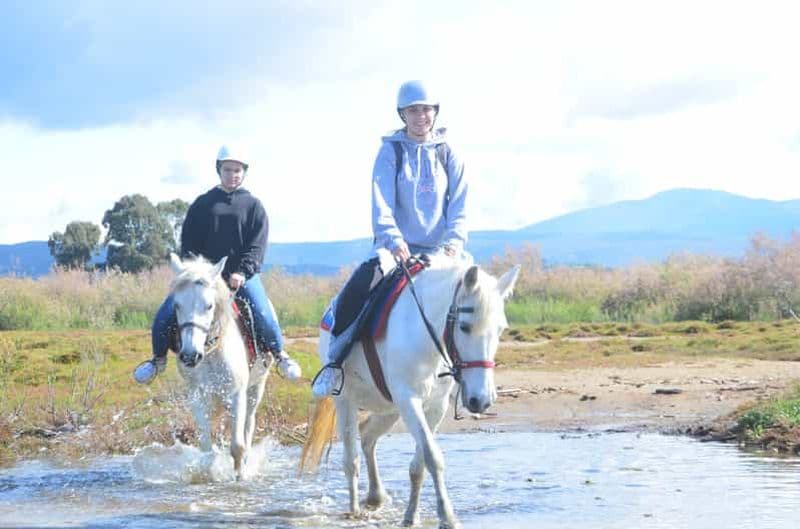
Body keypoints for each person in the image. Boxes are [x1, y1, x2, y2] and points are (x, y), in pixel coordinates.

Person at [312, 80, 468, 397]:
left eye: (425, 109)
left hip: (441, 251)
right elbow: (380, 201)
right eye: (413, 110)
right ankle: (334, 363)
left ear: (434, 112)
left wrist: (454, 243)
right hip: (394, 248)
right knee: (360, 285)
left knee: (476, 299)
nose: (420, 116)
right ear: (403, 114)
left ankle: (474, 375)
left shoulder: (448, 152)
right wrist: (394, 241)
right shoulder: (390, 151)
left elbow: (460, 203)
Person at [133, 145, 302, 384]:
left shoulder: (254, 206)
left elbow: (257, 246)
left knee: (262, 310)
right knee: (167, 312)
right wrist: (198, 271)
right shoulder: (202, 204)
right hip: (204, 278)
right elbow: (189, 244)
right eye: (227, 169)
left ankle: (280, 355)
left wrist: (242, 271)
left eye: (237, 170)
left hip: (240, 277)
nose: (232, 174)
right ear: (218, 170)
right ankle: (157, 360)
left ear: (244, 172)